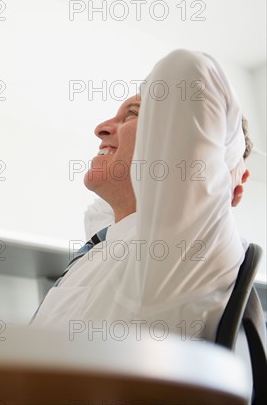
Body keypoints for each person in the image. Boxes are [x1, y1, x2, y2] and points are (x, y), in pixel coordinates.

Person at [31, 49, 253, 341]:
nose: (100, 129)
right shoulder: (103, 249)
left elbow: (188, 71)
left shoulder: (181, 245)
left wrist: (228, 171)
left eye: (133, 114)